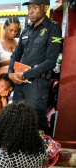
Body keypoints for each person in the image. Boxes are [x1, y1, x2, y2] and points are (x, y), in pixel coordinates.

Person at [8, 0, 62, 135]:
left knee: (37, 121)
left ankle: (46, 154)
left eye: (35, 7)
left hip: (37, 84)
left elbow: (50, 62)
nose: (30, 11)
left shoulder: (53, 29)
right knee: (17, 120)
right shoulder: (26, 29)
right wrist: (10, 73)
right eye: (29, 8)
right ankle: (20, 154)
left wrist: (25, 74)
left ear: (46, 8)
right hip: (19, 83)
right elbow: (16, 54)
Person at [0, 17, 20, 84]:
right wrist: (9, 62)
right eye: (11, 30)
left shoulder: (19, 41)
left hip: (17, 78)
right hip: (2, 81)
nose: (13, 33)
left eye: (16, 31)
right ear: (5, 27)